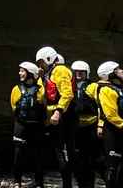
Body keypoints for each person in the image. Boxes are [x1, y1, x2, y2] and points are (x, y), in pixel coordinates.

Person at [95, 62, 123, 188]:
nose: (121, 70)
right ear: (111, 74)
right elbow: (110, 114)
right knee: (112, 167)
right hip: (113, 132)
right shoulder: (105, 90)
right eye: (118, 69)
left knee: (122, 166)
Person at [37, 47, 76, 188]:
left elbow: (67, 94)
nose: (40, 66)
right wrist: (40, 77)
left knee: (62, 152)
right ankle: (40, 182)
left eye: (41, 62)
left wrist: (58, 112)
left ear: (48, 59)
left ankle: (67, 184)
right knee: (50, 150)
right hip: (51, 119)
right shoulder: (48, 74)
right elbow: (42, 95)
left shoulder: (60, 70)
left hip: (64, 117)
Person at [11, 62, 48, 188]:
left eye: (22, 71)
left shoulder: (41, 89)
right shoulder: (16, 89)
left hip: (37, 126)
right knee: (18, 154)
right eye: (20, 71)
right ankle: (17, 181)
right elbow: (14, 106)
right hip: (21, 125)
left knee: (38, 155)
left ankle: (39, 182)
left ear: (30, 74)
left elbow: (44, 105)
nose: (20, 73)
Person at [68, 62, 99, 188]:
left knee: (90, 158)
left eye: (82, 72)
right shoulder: (68, 86)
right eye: (76, 71)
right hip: (74, 126)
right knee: (76, 157)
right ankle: (80, 182)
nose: (78, 74)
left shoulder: (93, 86)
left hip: (90, 125)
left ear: (87, 73)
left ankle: (89, 183)